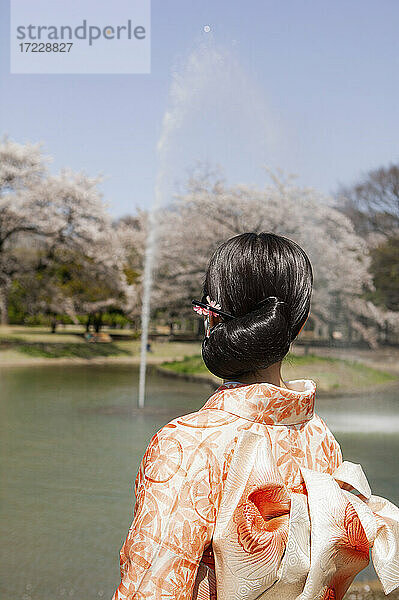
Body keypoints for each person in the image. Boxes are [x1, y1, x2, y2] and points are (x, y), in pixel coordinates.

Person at [112, 232, 399, 600]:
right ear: (299, 324)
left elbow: (150, 588)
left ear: (211, 318)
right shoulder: (321, 438)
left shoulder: (188, 443)